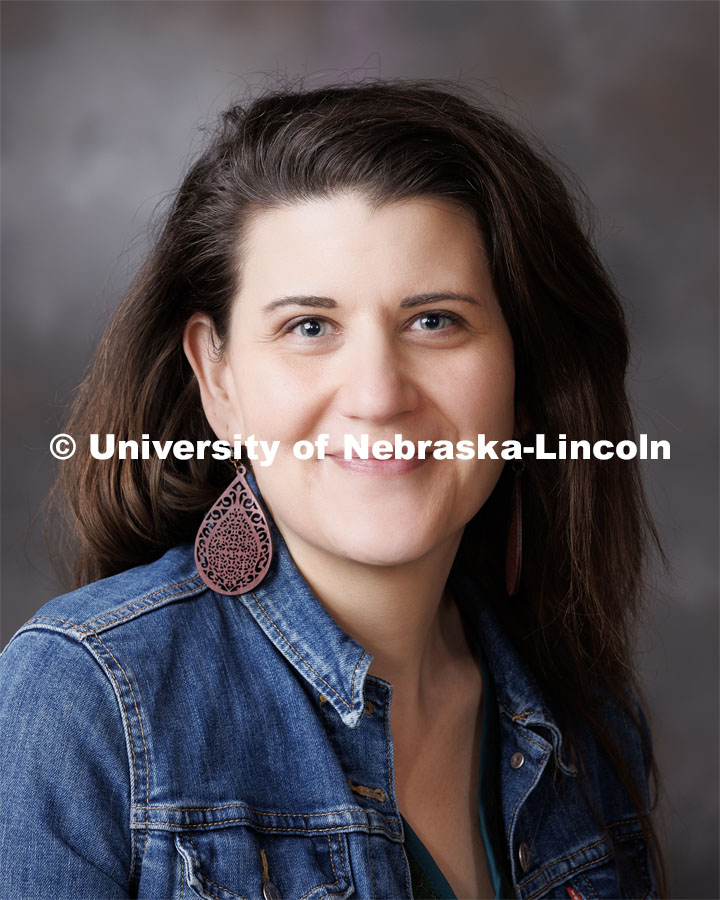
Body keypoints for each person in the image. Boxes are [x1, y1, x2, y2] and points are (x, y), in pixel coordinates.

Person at [0, 79, 665, 900]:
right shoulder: (82, 699)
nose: (379, 393)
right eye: (309, 327)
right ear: (219, 378)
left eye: (435, 321)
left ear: (521, 372)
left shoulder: (586, 719)